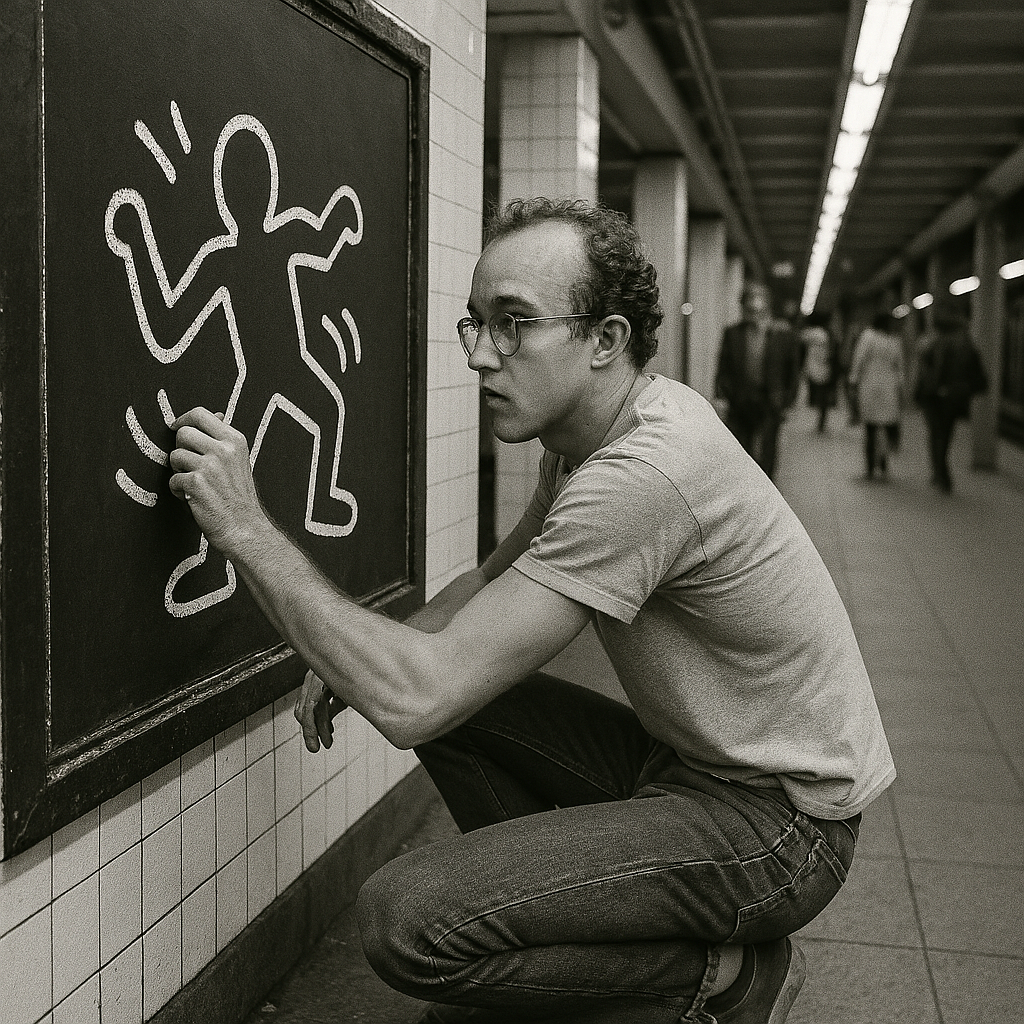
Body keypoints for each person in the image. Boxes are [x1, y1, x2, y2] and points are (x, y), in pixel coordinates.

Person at [168, 198, 894, 1024]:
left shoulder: (644, 476)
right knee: (452, 687)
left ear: (606, 341)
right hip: (685, 767)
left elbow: (416, 699)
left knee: (406, 919)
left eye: (514, 323)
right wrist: (368, 652)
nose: (481, 354)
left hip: (779, 827)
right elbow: (484, 588)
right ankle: (538, 936)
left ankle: (728, 978)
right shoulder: (589, 442)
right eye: (474, 322)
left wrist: (247, 530)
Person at [714, 283, 803, 480]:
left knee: (767, 447)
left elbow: (793, 370)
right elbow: (723, 365)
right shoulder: (732, 333)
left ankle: (766, 485)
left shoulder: (782, 334)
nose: (752, 310)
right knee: (740, 446)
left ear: (767, 306)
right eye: (748, 305)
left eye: (757, 305)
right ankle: (744, 486)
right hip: (740, 399)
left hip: (771, 399)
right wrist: (721, 395)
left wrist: (789, 401)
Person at [913, 309, 989, 493]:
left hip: (933, 397)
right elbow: (978, 375)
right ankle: (941, 472)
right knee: (945, 435)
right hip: (954, 398)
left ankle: (940, 473)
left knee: (935, 434)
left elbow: (925, 373)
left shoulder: (933, 344)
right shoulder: (967, 346)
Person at [848, 312, 905, 481]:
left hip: (873, 387)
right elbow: (899, 367)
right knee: (880, 428)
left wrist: (853, 380)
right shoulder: (891, 340)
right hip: (885, 388)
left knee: (874, 428)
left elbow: (859, 359)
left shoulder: (870, 337)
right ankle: (879, 464)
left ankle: (874, 466)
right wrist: (901, 386)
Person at [799, 311, 840, 433]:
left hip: (817, 366)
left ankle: (820, 421)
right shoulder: (827, 334)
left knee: (820, 395)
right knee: (824, 396)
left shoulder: (814, 333)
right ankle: (821, 421)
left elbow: (800, 338)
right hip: (825, 366)